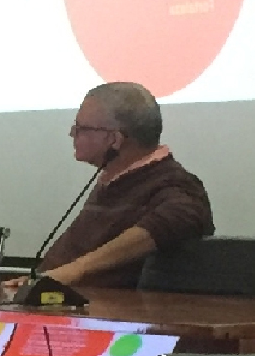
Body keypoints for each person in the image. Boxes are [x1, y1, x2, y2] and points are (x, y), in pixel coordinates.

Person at [34, 81, 214, 290]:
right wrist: (35, 283)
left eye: (81, 128)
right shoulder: (115, 179)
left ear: (115, 140)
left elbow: (177, 219)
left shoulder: (173, 182)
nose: (72, 134)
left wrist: (76, 270)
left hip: (118, 316)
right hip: (65, 306)